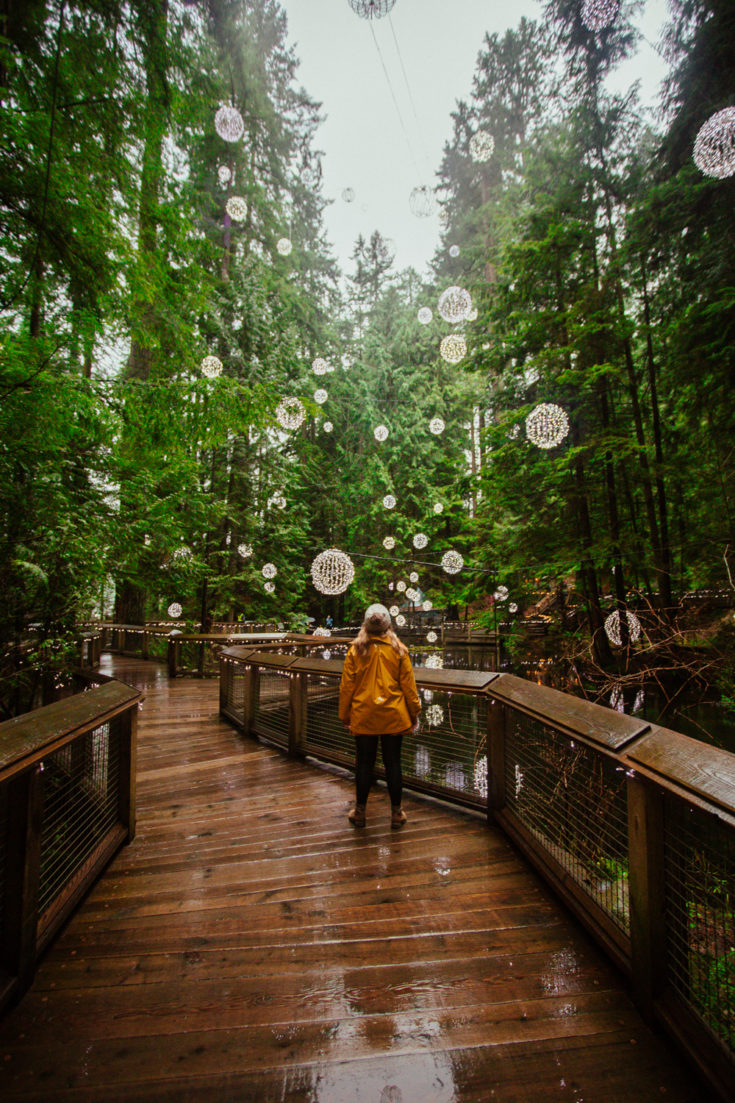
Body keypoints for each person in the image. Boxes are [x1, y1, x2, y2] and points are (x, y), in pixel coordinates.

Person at [338, 603, 420, 829]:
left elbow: (347, 687)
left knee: (364, 763)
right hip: (394, 716)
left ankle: (360, 813)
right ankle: (396, 813)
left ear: (365, 625)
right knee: (393, 763)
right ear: (389, 626)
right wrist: (414, 713)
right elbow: (409, 688)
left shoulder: (355, 651)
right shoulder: (399, 650)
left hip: (364, 716)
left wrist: (345, 715)